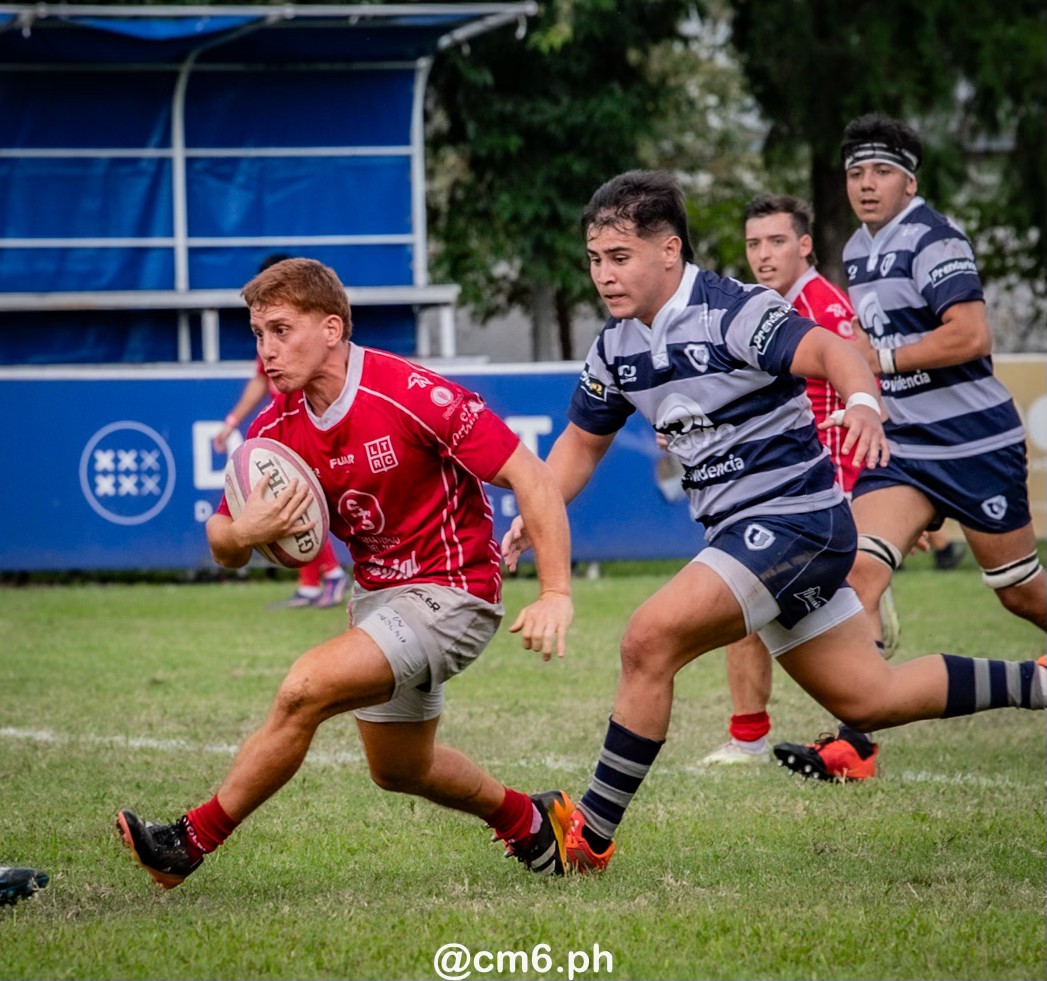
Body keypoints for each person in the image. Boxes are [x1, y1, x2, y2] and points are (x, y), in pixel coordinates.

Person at [503, 170, 1046, 873]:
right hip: (754, 536)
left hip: (794, 522)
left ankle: (588, 837)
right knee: (868, 697)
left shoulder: (732, 311)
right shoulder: (616, 350)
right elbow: (577, 446)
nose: (603, 275)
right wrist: (535, 508)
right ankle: (1037, 683)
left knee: (647, 639)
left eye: (619, 257)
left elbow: (828, 350)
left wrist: (859, 402)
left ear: (669, 251)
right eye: (594, 259)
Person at [116, 258, 576, 887]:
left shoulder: (412, 393)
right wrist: (244, 534)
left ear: (332, 328)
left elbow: (532, 475)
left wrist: (555, 593)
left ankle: (187, 843)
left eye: (281, 330)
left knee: (304, 688)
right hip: (379, 599)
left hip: (453, 593)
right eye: (257, 335)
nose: (266, 351)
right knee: (400, 769)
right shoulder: (276, 428)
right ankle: (531, 822)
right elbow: (222, 540)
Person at [773, 114, 1046, 779]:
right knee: (855, 575)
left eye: (880, 171)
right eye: (855, 173)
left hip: (972, 441)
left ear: (908, 179)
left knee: (1017, 592)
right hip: (905, 451)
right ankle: (852, 746)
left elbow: (970, 335)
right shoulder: (861, 249)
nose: (865, 184)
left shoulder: (931, 237)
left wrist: (881, 359)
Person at [699, 192, 897, 769]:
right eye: (754, 243)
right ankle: (752, 738)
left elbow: (861, 391)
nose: (763, 254)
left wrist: (869, 487)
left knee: (832, 599)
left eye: (776, 241)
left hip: (823, 489)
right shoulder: (757, 304)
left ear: (805, 245)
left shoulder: (823, 306)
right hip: (774, 486)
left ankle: (850, 740)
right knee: (740, 603)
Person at [213, 253, 349, 610]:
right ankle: (313, 582)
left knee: (296, 501)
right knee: (287, 501)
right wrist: (231, 423)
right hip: (284, 423)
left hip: (306, 420)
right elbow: (260, 381)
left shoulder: (309, 336)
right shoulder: (271, 344)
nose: (267, 344)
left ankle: (330, 575)